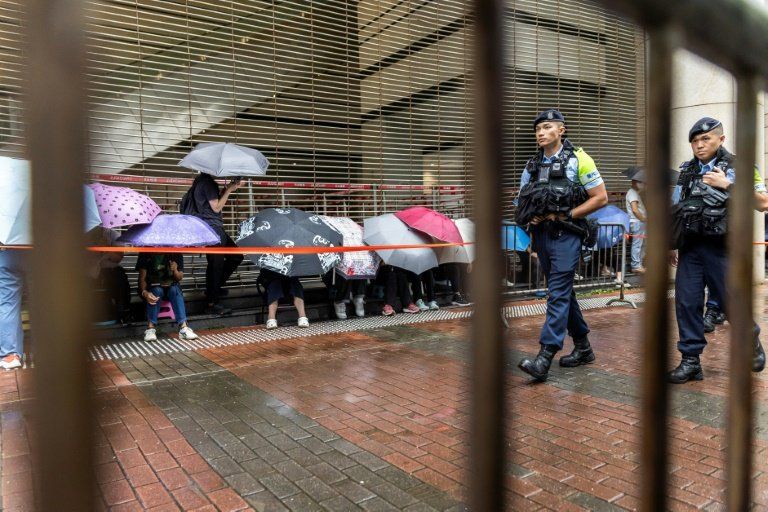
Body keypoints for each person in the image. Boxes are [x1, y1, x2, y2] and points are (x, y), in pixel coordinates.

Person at [668, 117, 768, 383]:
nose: (699, 145)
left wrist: (728, 185)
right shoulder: (687, 171)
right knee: (687, 303)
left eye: (705, 139)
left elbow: (763, 203)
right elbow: (675, 209)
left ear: (721, 139)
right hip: (690, 247)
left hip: (724, 248)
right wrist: (670, 244)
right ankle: (690, 361)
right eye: (694, 141)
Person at [515, 109, 608, 382]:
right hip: (542, 235)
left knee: (556, 293)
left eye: (547, 127)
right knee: (563, 292)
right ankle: (583, 347)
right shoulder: (532, 165)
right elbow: (521, 201)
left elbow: (600, 197)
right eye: (538, 129)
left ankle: (545, 356)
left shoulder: (579, 158)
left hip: (567, 234)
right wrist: (530, 216)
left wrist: (568, 214)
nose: (541, 133)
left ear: (561, 130)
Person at [187, 173, 244, 316]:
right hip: (213, 228)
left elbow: (211, 202)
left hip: (210, 228)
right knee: (216, 266)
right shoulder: (208, 183)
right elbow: (217, 207)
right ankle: (211, 303)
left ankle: (214, 289)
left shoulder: (201, 182)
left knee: (235, 257)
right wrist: (229, 190)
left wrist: (227, 189)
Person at [136, 252, 199, 342]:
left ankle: (183, 328)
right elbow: (142, 279)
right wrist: (145, 293)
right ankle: (150, 328)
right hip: (153, 289)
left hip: (171, 288)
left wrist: (175, 270)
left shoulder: (176, 252)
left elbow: (179, 277)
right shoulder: (146, 252)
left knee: (175, 289)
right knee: (157, 290)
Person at [88, 228, 132, 324]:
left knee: (120, 278)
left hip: (111, 269)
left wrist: (106, 247)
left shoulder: (114, 235)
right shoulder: (87, 235)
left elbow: (118, 258)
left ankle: (123, 312)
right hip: (91, 270)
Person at [0, 249, 26, 370]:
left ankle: (11, 355)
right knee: (45, 303)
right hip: (39, 253)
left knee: (8, 305)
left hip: (7, 253)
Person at [625, 170, 647, 273]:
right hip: (637, 222)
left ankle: (638, 265)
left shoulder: (635, 193)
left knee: (641, 244)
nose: (642, 184)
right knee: (637, 244)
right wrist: (643, 219)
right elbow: (635, 209)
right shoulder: (632, 193)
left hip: (639, 222)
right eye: (640, 182)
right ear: (634, 182)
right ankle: (636, 266)